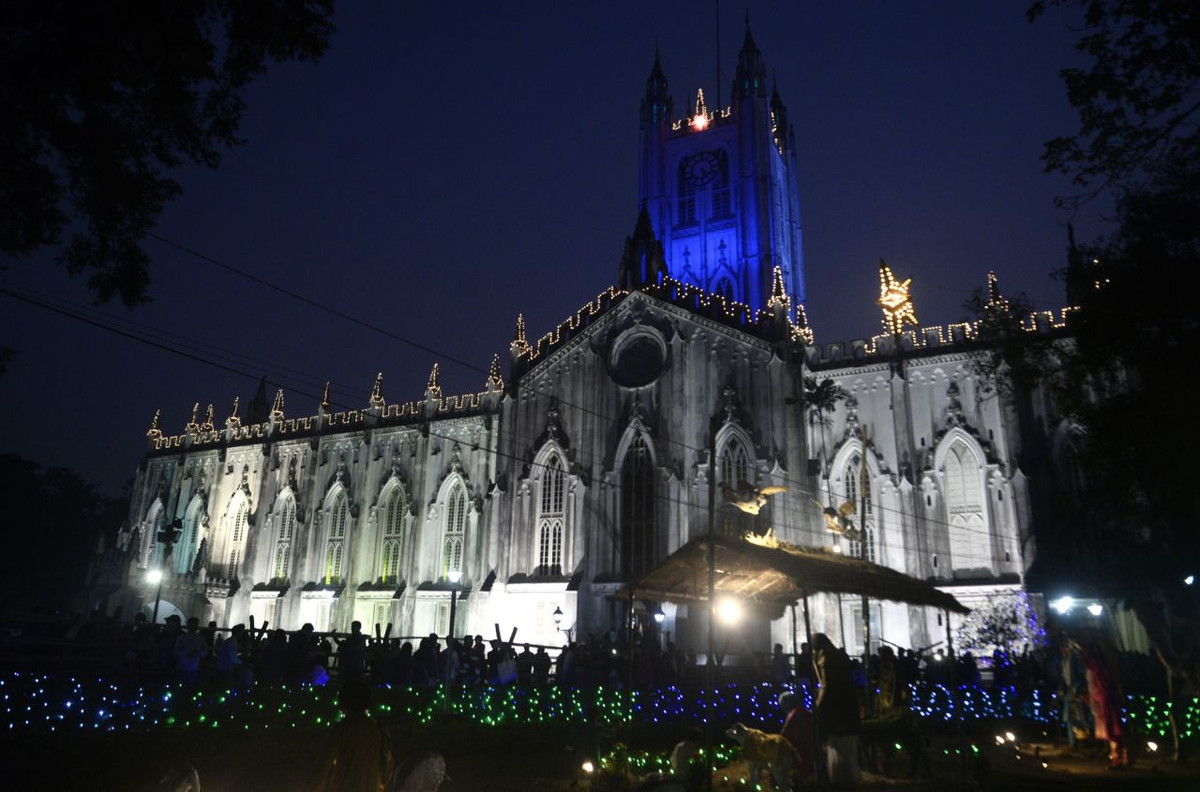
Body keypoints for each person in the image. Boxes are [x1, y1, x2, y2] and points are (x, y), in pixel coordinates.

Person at [302, 679, 394, 792]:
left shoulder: (343, 729)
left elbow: (322, 768)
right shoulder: (379, 729)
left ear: (343, 703)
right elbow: (388, 768)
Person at [813, 633, 860, 786]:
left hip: (837, 708)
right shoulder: (836, 654)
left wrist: (819, 705)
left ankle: (841, 778)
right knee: (845, 746)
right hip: (847, 707)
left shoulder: (827, 657)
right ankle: (848, 778)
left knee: (839, 744)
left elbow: (827, 685)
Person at [1080, 639, 1128, 767]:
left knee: (1112, 730)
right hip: (1101, 701)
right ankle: (1121, 757)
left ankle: (1118, 758)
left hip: (1106, 701)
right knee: (1112, 731)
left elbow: (1103, 686)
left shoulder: (1099, 668)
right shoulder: (1094, 668)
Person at [779, 691, 816, 782]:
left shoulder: (795, 714)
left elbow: (786, 735)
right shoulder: (803, 711)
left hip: (800, 751)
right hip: (807, 749)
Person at [670, 726, 705, 791]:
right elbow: (698, 762)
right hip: (685, 778)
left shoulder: (680, 746)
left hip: (678, 775)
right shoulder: (690, 748)